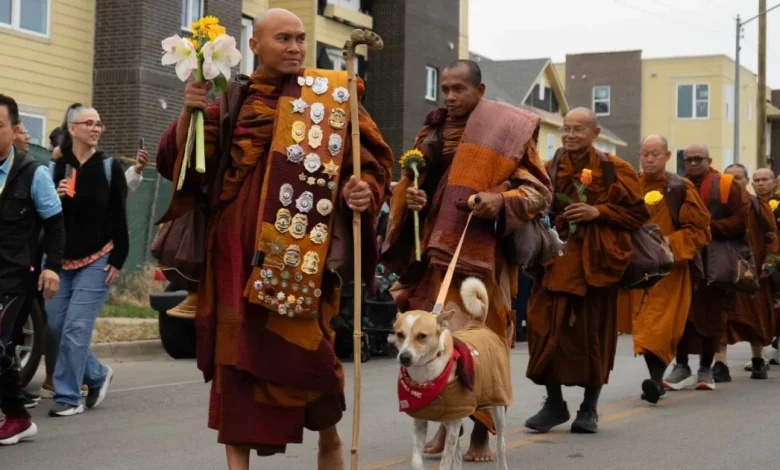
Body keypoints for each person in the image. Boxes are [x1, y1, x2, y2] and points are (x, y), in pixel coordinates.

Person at [154, 9, 393, 470]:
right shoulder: (232, 100)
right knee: (235, 363)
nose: (295, 48)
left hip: (298, 253)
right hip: (231, 254)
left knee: (309, 356)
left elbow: (372, 160)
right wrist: (190, 111)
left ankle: (329, 437)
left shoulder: (328, 96)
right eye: (283, 38)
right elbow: (178, 166)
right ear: (255, 46)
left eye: (301, 39)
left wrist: (363, 190)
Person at [381, 60, 551, 462]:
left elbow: (539, 191)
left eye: (460, 89)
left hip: (484, 258)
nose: (452, 97)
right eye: (446, 89)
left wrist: (500, 200)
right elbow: (415, 184)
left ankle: (480, 432)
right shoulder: (434, 131)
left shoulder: (507, 130)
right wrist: (413, 199)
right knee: (439, 340)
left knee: (480, 343)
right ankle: (445, 422)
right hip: (438, 252)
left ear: (481, 89)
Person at [524, 108, 649, 434]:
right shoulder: (549, 167)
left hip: (598, 265)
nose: (570, 135)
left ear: (595, 133)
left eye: (579, 129)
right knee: (542, 329)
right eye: (566, 129)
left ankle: (589, 409)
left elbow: (638, 215)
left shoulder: (614, 169)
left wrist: (599, 211)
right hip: (556, 261)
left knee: (593, 335)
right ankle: (554, 404)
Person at [46, 105, 128, 417]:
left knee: (76, 328)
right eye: (89, 123)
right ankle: (96, 374)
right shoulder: (56, 166)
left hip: (98, 258)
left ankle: (68, 397)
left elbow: (120, 215)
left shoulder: (109, 167)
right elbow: (47, 216)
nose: (95, 129)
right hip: (59, 260)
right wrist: (56, 197)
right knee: (57, 323)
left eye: (99, 124)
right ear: (72, 128)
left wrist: (118, 258)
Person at [617, 135, 711, 404]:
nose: (649, 159)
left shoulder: (680, 187)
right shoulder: (630, 184)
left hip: (669, 268)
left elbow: (701, 231)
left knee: (658, 327)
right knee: (645, 327)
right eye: (645, 153)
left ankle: (656, 380)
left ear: (668, 156)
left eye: (655, 154)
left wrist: (671, 242)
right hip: (638, 268)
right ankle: (655, 381)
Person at [0, 94, 65, 445]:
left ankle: (17, 416)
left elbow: (55, 224)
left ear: (14, 129)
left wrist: (52, 267)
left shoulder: (33, 172)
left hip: (16, 276)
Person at [663, 145, 747, 391]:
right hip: (685, 258)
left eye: (698, 159)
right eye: (688, 159)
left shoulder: (725, 185)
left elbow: (741, 220)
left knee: (711, 316)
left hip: (715, 259)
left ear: (709, 160)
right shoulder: (677, 185)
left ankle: (706, 367)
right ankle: (681, 366)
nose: (692, 164)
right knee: (682, 315)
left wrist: (706, 227)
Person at [715, 166, 778, 381]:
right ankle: (720, 364)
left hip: (753, 269)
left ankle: (758, 359)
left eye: (739, 178)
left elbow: (771, 235)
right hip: (724, 269)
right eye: (729, 179)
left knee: (756, 316)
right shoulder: (719, 206)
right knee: (721, 317)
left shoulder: (757, 205)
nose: (734, 183)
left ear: (746, 180)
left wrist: (769, 261)